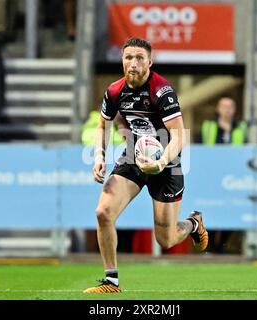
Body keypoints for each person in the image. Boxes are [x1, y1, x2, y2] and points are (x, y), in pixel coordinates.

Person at [83, 38, 209, 293]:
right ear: (122, 60)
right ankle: (111, 281)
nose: (134, 62)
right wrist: (99, 156)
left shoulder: (161, 91)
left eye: (140, 57)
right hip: (134, 155)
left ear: (150, 62)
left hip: (167, 160)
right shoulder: (115, 91)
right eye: (128, 57)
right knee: (103, 212)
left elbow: (179, 135)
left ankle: (193, 223)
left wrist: (161, 162)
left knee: (166, 239)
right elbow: (103, 124)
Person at [200, 97, 246, 254]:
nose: (227, 109)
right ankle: (211, 245)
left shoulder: (241, 127)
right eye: (223, 106)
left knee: (232, 209)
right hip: (212, 176)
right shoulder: (209, 126)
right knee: (211, 209)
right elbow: (200, 147)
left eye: (230, 106)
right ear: (218, 109)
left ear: (234, 109)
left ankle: (223, 245)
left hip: (234, 177)